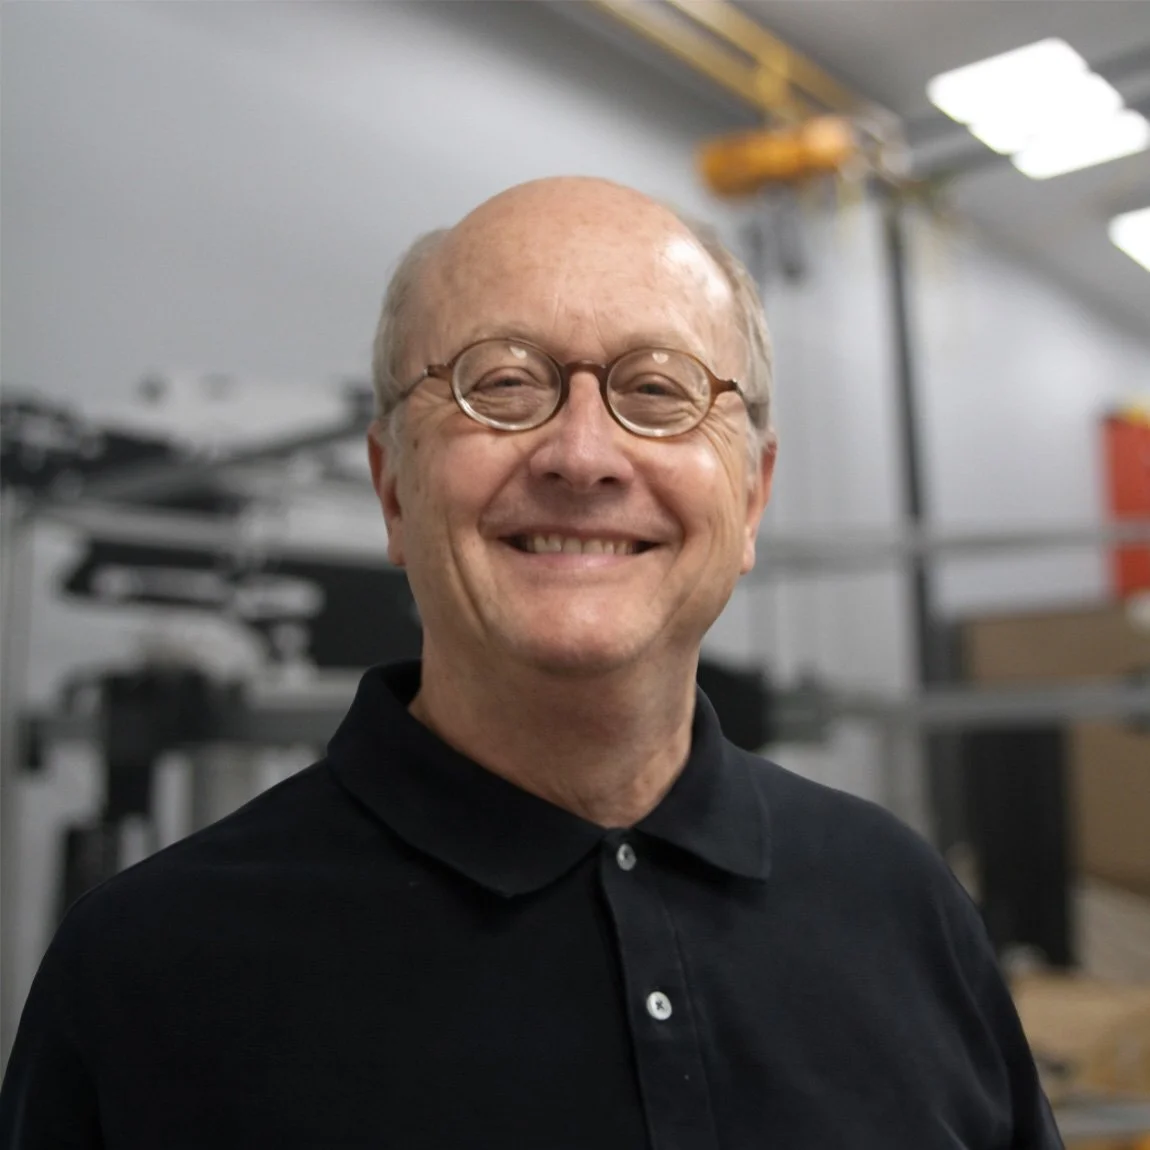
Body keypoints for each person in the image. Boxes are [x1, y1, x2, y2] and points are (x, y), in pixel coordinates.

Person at [1, 177, 1061, 1148]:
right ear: (393, 488)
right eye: (501, 383)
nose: (583, 454)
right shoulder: (144, 971)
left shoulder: (904, 905)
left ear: (749, 497)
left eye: (657, 389)